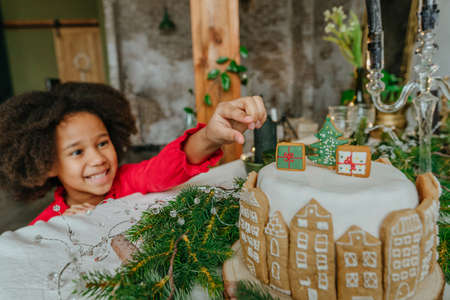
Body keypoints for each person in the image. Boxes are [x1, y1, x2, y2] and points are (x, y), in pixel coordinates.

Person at [0, 82, 266, 225]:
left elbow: (166, 168)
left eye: (102, 143)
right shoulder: (43, 225)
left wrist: (210, 135)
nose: (97, 159)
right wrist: (61, 230)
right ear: (46, 164)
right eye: (77, 151)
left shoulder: (129, 180)